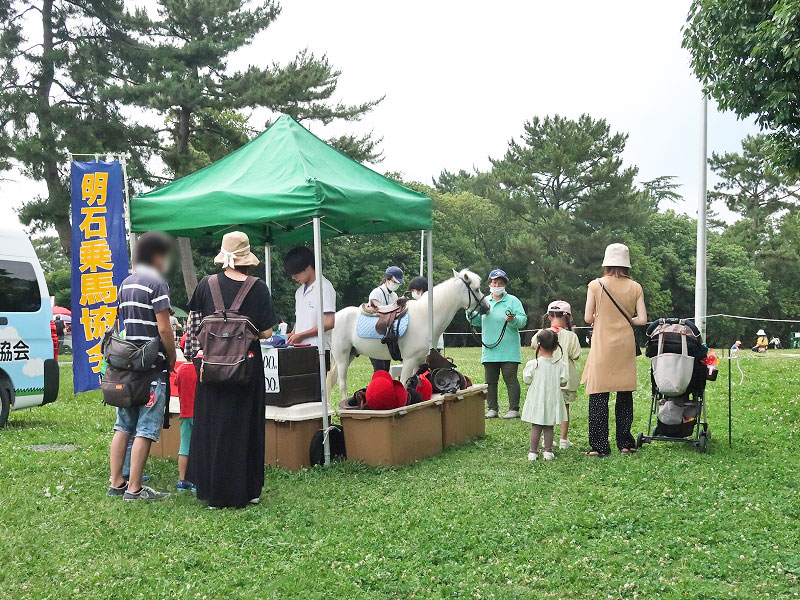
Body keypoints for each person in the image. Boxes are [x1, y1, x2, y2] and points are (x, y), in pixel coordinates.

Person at [187, 232, 276, 508]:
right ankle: (247, 490)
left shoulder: (206, 284)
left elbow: (194, 324)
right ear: (247, 258)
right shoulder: (258, 288)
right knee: (245, 425)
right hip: (246, 368)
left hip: (212, 368)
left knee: (212, 425)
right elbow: (267, 332)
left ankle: (213, 492)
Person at [107, 231, 177, 501]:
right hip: (150, 366)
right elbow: (164, 328)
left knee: (123, 425)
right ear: (156, 256)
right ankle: (135, 488)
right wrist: (171, 355)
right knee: (145, 429)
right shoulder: (157, 283)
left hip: (126, 365)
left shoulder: (125, 283)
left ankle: (117, 482)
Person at [582, 243, 647, 457]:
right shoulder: (636, 287)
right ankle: (626, 443)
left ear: (607, 262)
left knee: (599, 394)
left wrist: (603, 317)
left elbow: (588, 318)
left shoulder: (596, 285)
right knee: (624, 394)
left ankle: (600, 446)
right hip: (625, 344)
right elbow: (642, 319)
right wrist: (626, 319)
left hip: (603, 344)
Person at [467, 269, 527, 419]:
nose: (497, 285)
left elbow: (523, 321)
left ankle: (514, 409)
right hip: (490, 350)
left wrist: (513, 320)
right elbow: (476, 321)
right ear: (489, 284)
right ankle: (492, 409)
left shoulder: (513, 301)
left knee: (511, 380)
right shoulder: (484, 301)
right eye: (494, 282)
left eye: (500, 283)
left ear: (505, 284)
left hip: (509, 350)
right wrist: (469, 313)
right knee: (490, 381)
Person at [531, 301, 582, 449]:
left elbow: (534, 345)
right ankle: (563, 439)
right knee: (565, 408)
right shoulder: (571, 336)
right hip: (565, 378)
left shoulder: (541, 333)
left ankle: (546, 440)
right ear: (568, 317)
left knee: (547, 407)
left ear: (548, 316)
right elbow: (576, 356)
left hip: (546, 380)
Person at [522, 328, 568, 461]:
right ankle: (548, 451)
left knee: (536, 425)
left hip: (537, 399)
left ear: (538, 345)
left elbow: (527, 380)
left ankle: (533, 452)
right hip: (552, 399)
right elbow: (564, 382)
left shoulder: (533, 364)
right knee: (549, 425)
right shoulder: (561, 365)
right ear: (556, 347)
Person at [284, 247, 336, 355]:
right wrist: (293, 333)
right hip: (299, 348)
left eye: (296, 272)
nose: (293, 277)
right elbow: (300, 319)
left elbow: (328, 322)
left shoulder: (324, 287)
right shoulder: (299, 292)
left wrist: (302, 335)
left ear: (308, 267)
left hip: (318, 350)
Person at [368, 266, 405, 371]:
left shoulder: (394, 295)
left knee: (386, 369)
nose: (397, 285)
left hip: (387, 338)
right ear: (388, 279)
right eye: (395, 282)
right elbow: (378, 311)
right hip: (375, 335)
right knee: (379, 368)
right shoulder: (376, 293)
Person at [174, 348, 197, 492]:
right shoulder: (200, 369)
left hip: (185, 413)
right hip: (200, 415)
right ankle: (198, 481)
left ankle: (182, 480)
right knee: (200, 447)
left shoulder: (181, 369)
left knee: (184, 447)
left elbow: (176, 383)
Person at [408, 275, 444, 350]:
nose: (412, 293)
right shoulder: (433, 297)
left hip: (428, 342)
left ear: (420, 289)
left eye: (413, 290)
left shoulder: (426, 300)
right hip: (434, 341)